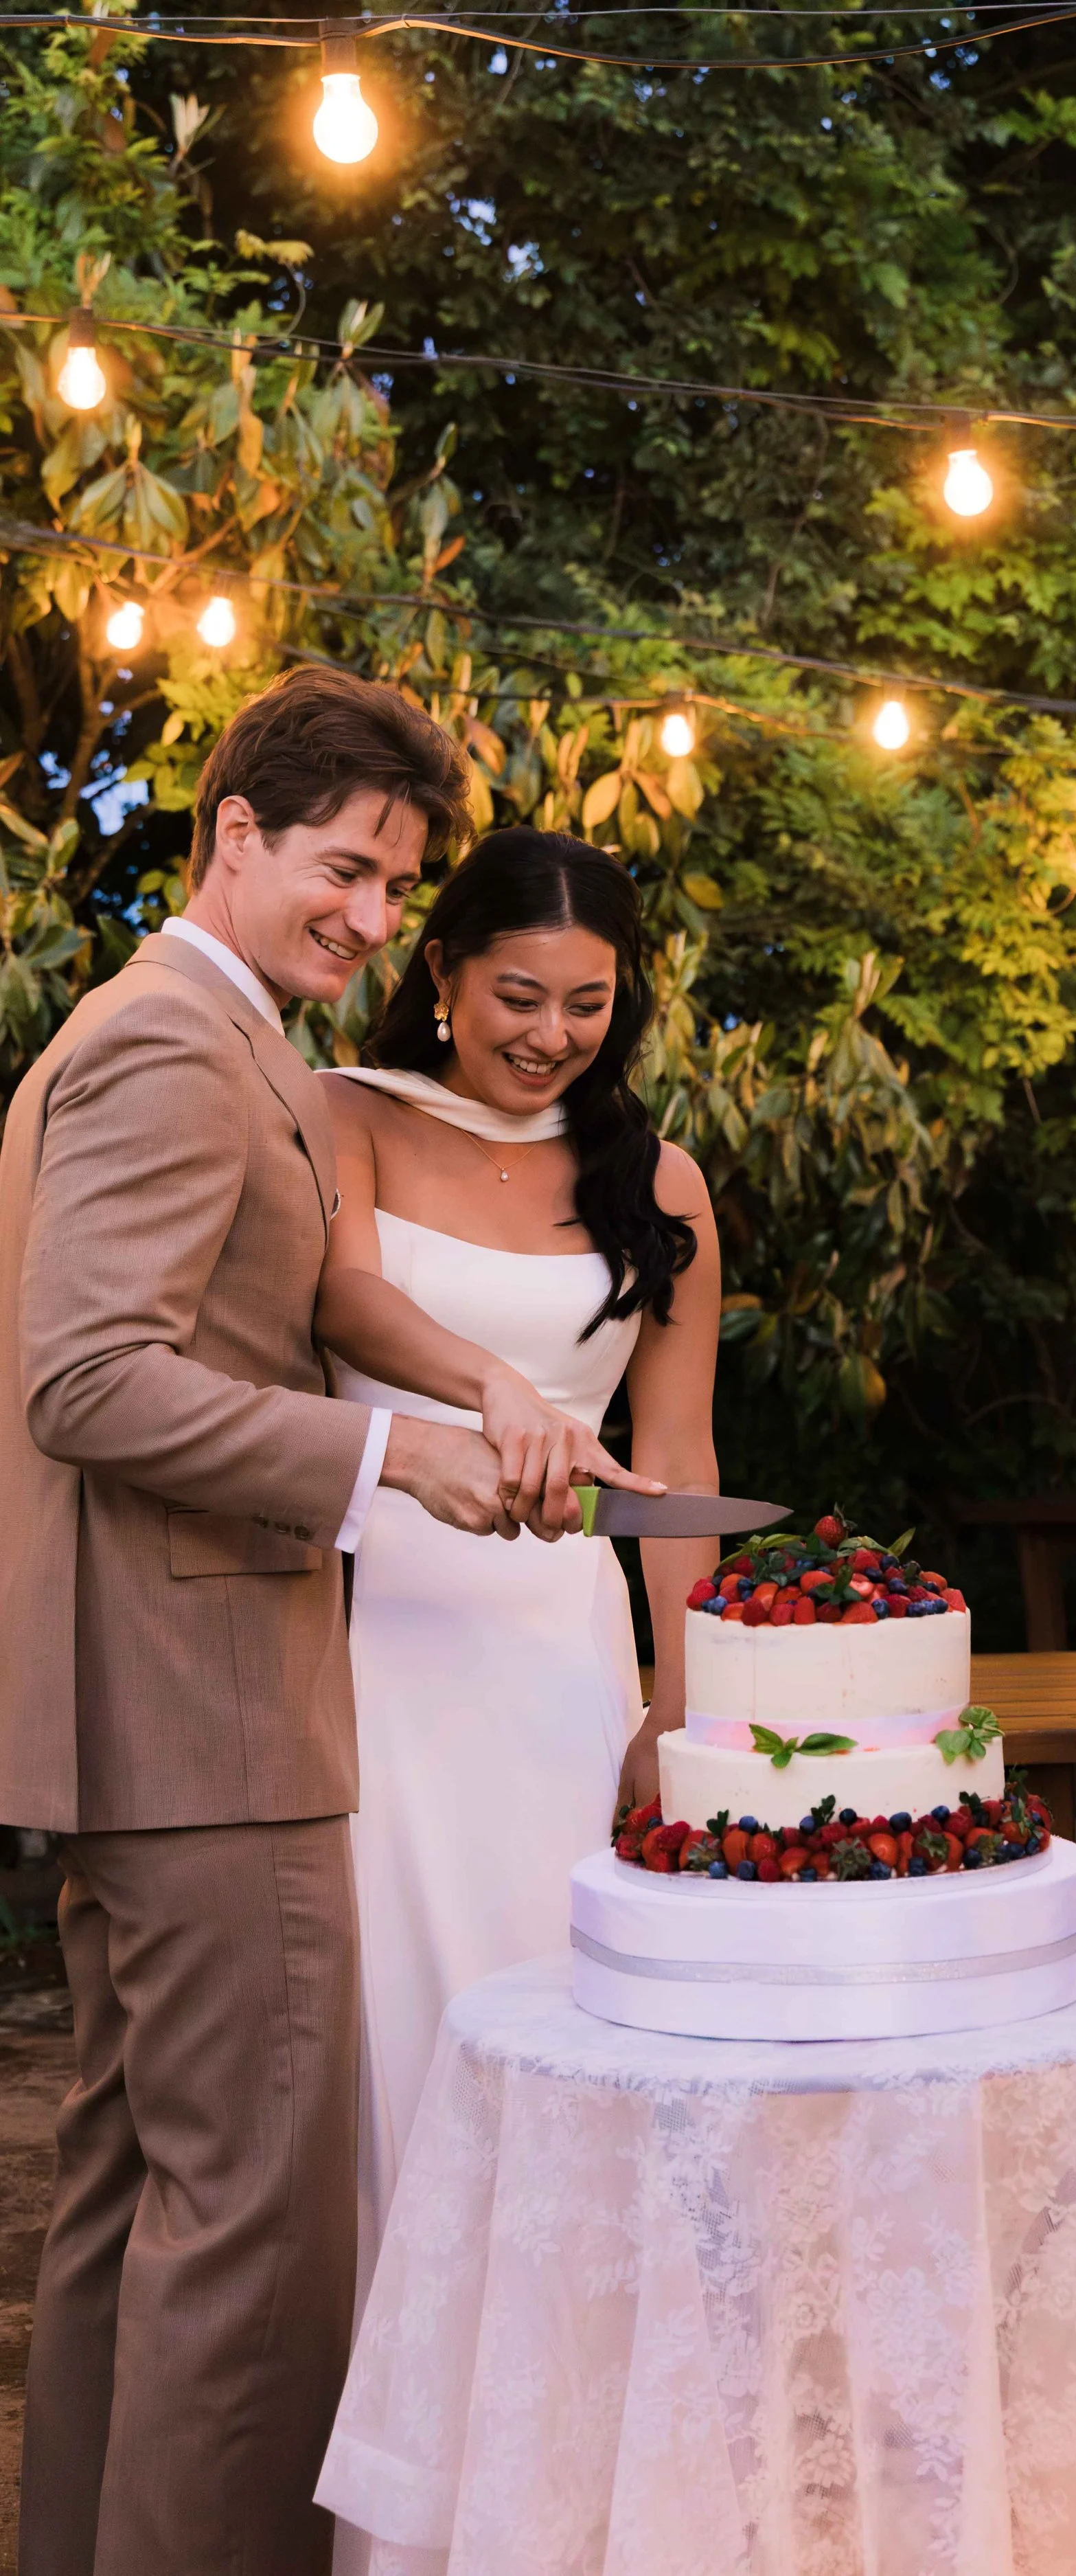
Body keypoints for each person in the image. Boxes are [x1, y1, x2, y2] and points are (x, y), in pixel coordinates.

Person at [0, 668, 548, 2576]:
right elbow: (87, 1379)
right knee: (258, 2244)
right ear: (233, 830)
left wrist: (452, 1394)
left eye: (397, 888)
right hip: (205, 1711)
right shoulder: (172, 1046)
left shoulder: (194, 1030)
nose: (373, 921)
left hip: (155, 1715)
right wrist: (385, 1457)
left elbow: (247, 1305)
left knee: (133, 2204)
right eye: (344, 870)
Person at [307, 828, 720, 2391]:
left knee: (579, 2051)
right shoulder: (340, 1120)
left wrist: (674, 1708)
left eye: (587, 1004)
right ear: (439, 976)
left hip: (562, 1660)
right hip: (381, 1648)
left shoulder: (653, 1179)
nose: (550, 1034)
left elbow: (674, 1461)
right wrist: (489, 1390)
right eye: (518, 995)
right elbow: (346, 1301)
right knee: (405, 2049)